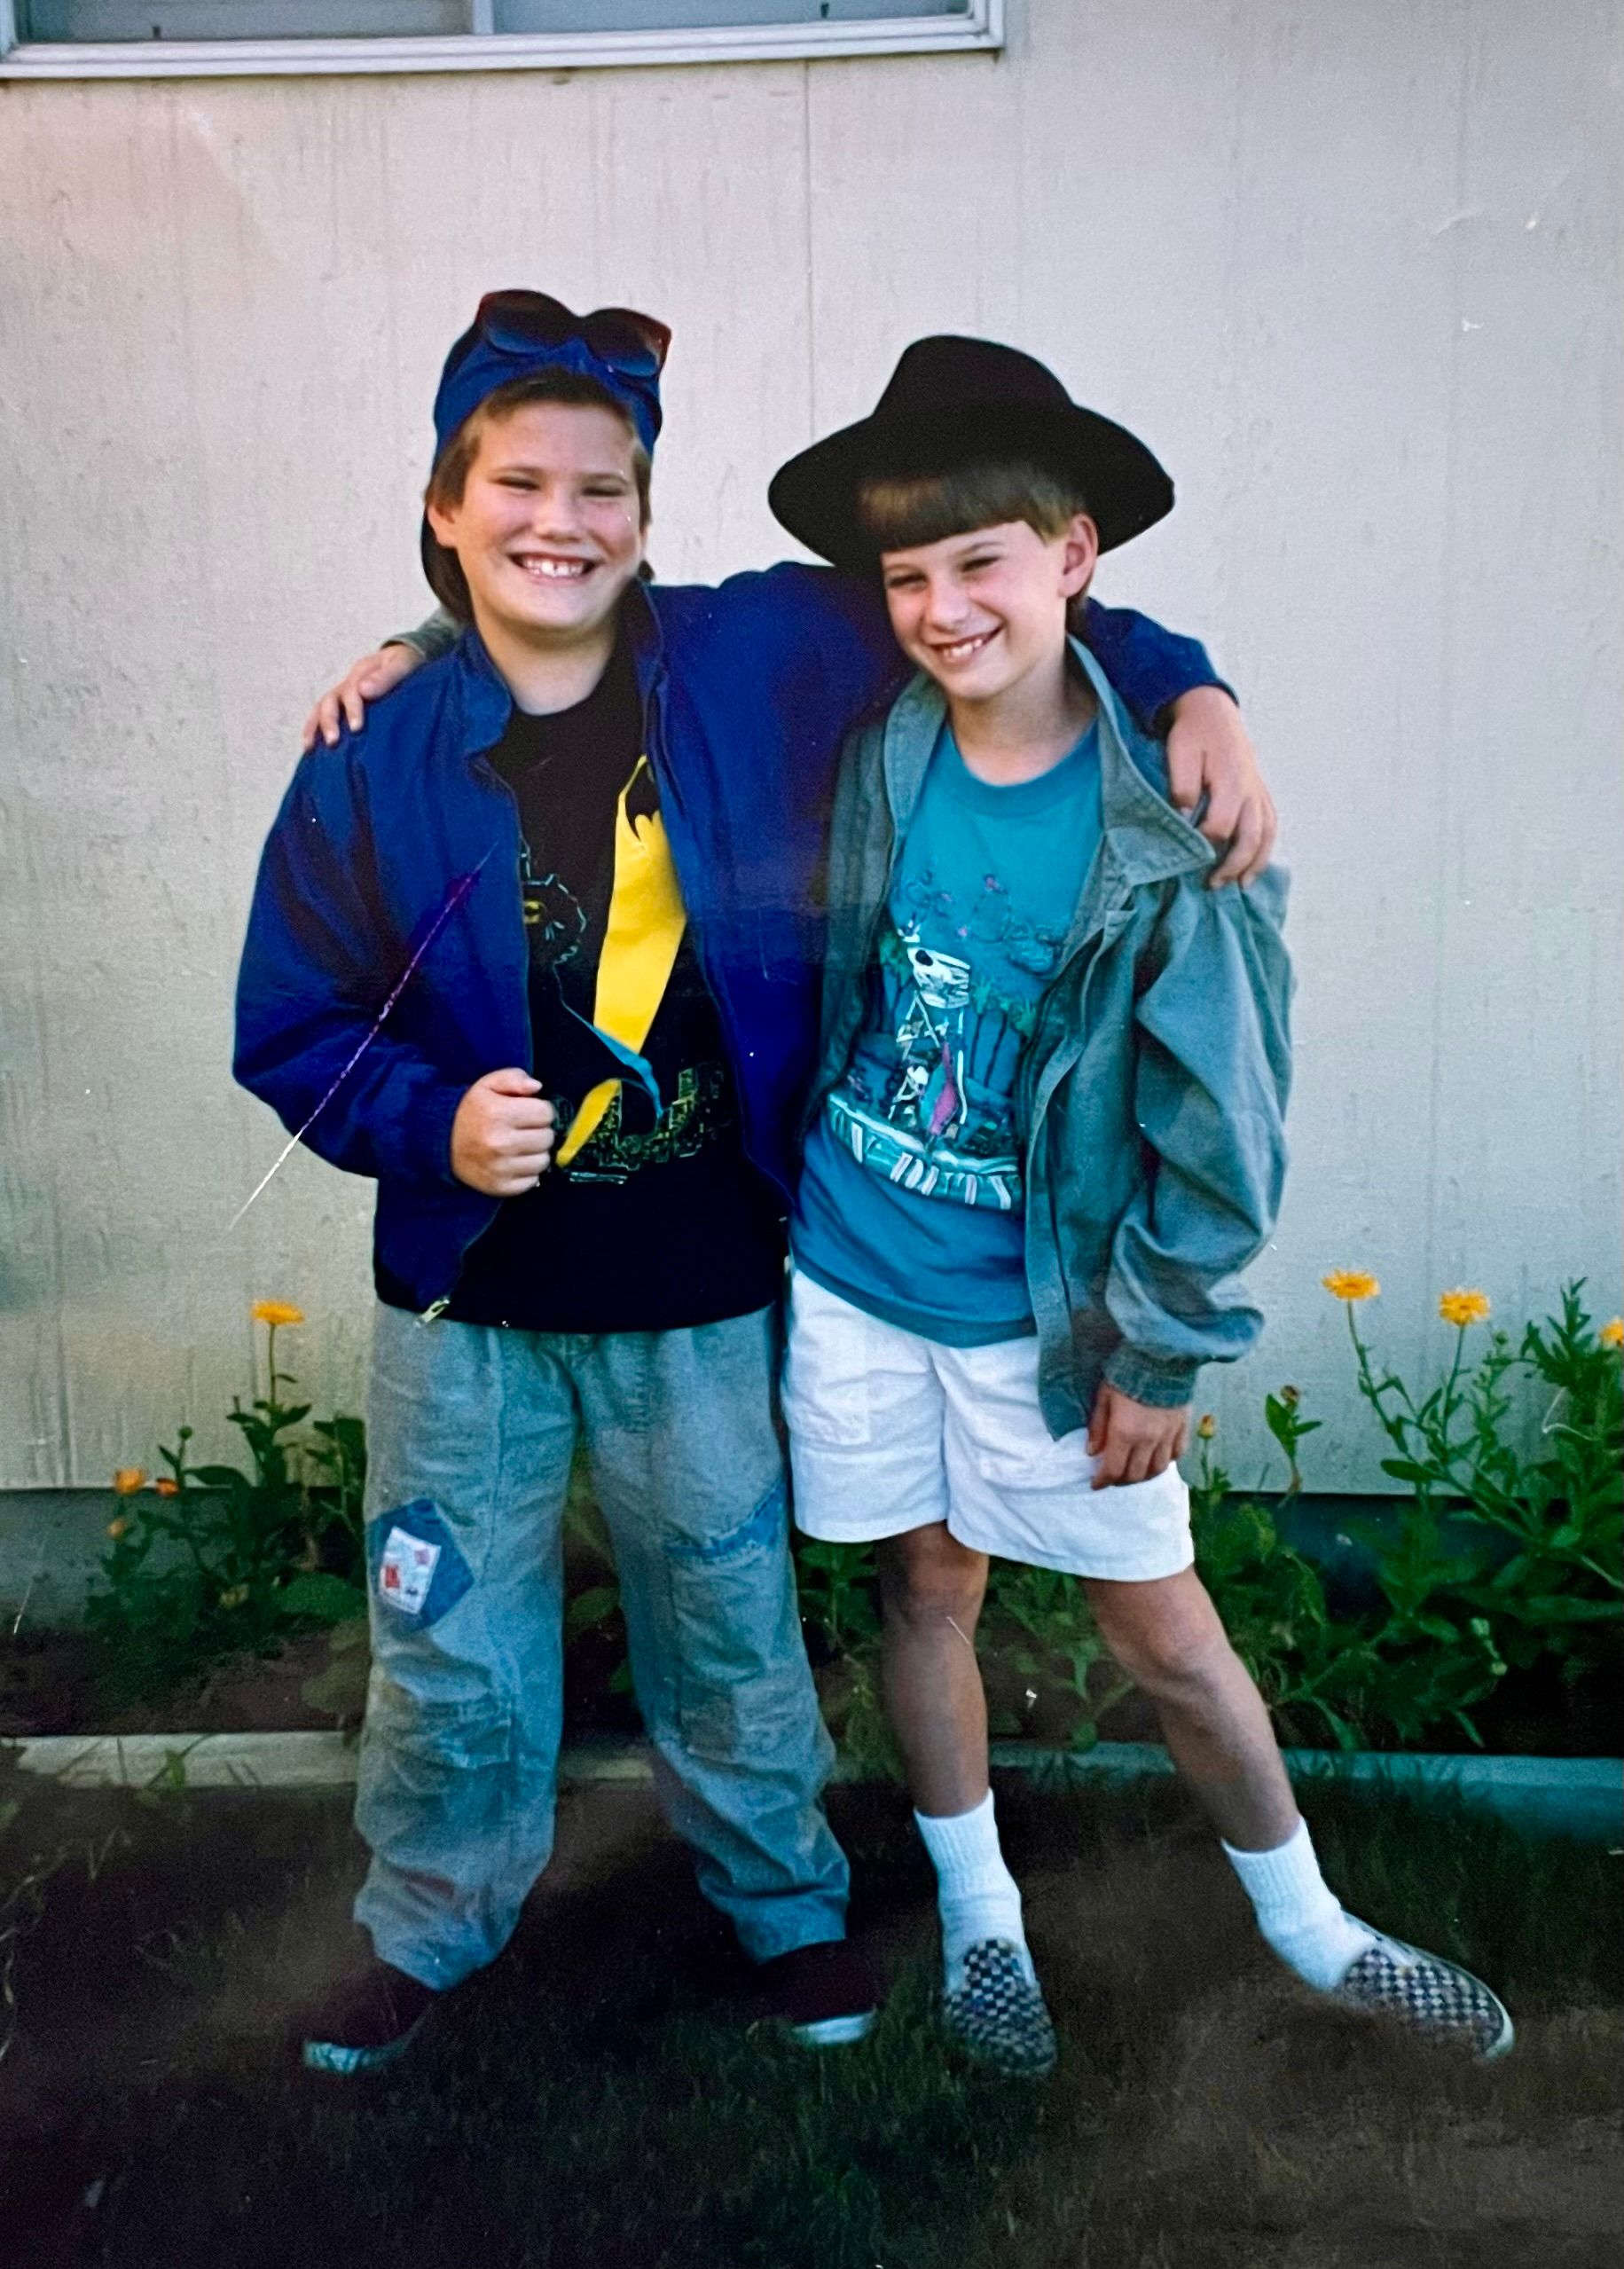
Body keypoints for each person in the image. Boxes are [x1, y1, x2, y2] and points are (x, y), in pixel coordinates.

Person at [239, 292, 1272, 2077]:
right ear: (444, 506)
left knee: (724, 1617)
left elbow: (1011, 590)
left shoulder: (752, 656)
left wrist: (1194, 688)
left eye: (604, 488)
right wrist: (421, 1121)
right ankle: (425, 1927)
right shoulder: (369, 753)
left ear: (646, 514)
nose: (560, 519)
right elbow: (293, 1019)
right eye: (517, 485)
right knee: (445, 1637)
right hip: (465, 1300)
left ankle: (785, 1909)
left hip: (700, 1282)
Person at [768, 334, 1514, 2077]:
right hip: (859, 1277)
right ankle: (983, 1929)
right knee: (924, 1591)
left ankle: (1315, 1930)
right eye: (906, 576)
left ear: (1074, 559)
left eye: (980, 564)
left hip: (1050, 1319)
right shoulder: (880, 743)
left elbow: (1223, 1128)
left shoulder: (1176, 823)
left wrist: (1163, 1343)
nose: (944, 608)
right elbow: (611, 621)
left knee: (1164, 1635)